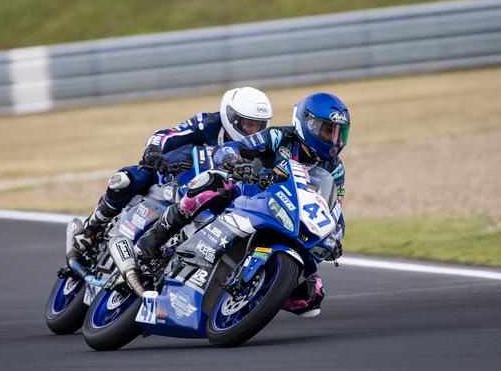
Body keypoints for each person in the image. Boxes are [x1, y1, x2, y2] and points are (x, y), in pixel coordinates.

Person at [135, 92, 350, 317]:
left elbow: (334, 208)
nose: (334, 140)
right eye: (328, 130)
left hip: (287, 218)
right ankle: (155, 237)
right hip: (249, 195)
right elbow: (230, 148)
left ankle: (260, 291)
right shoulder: (279, 136)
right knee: (214, 182)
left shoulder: (335, 168)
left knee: (312, 297)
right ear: (308, 124)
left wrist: (335, 236)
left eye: (340, 133)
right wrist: (236, 163)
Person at [67, 87, 273, 259]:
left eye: (259, 126)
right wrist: (153, 152)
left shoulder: (261, 144)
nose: (253, 131)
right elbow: (166, 135)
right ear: (231, 118)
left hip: (208, 196)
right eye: (249, 125)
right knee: (123, 180)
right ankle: (91, 229)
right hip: (171, 175)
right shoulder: (208, 123)